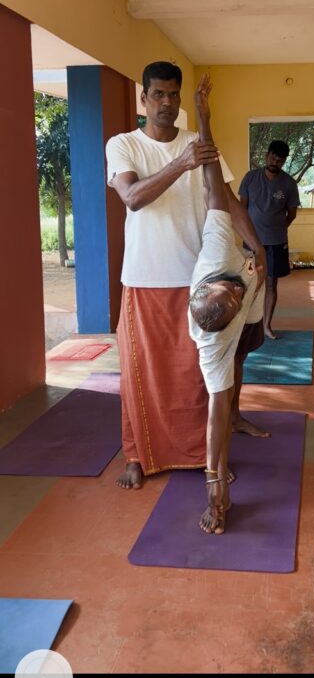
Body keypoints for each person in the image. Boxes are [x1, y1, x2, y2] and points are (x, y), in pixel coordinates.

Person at [106, 62, 267, 490]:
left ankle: (202, 456)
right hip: (143, 278)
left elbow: (225, 196)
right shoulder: (123, 144)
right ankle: (136, 455)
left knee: (197, 375)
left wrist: (257, 246)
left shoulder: (198, 142)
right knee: (139, 371)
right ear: (143, 98)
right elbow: (132, 197)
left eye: (173, 95)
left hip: (199, 280)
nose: (166, 103)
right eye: (158, 94)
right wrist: (181, 164)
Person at [188, 76, 265, 534]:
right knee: (221, 392)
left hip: (247, 275)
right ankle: (219, 484)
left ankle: (243, 407)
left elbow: (214, 180)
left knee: (249, 347)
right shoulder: (211, 344)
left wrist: (204, 117)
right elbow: (211, 414)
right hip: (232, 326)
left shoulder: (216, 256)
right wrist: (214, 480)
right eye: (235, 298)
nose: (235, 291)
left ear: (211, 285)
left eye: (230, 290)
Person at [239, 140, 300, 339]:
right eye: (273, 158)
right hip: (251, 242)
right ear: (267, 156)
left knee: (271, 284)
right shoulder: (250, 178)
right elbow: (242, 208)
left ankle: (266, 326)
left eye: (280, 160)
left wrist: (277, 229)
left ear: (284, 161)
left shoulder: (289, 183)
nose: (275, 162)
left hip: (276, 243)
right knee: (250, 282)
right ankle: (246, 325)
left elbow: (291, 214)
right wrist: (247, 233)